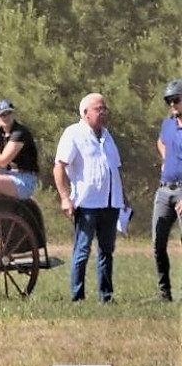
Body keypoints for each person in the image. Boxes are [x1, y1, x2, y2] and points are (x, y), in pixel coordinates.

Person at [53, 93, 130, 303]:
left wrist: (124, 197)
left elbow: (114, 169)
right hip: (87, 203)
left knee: (107, 251)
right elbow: (59, 167)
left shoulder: (107, 136)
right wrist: (65, 198)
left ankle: (106, 295)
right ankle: (77, 296)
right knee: (82, 250)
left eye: (104, 108)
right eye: (99, 109)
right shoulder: (74, 134)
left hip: (110, 203)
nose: (103, 112)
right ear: (85, 113)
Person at [153, 79, 182, 301]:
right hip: (164, 189)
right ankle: (164, 292)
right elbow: (161, 141)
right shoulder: (168, 123)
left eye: (176, 100)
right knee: (157, 243)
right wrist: (166, 158)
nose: (172, 104)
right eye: (169, 101)